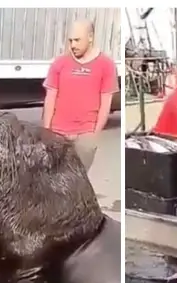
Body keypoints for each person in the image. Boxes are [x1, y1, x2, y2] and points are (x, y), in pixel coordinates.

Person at [42, 19, 119, 172]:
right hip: (58, 133)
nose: (73, 45)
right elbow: (50, 98)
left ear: (90, 38)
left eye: (77, 40)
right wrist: (46, 132)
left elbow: (106, 103)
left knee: (76, 181)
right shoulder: (60, 63)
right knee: (54, 179)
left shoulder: (106, 65)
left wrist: (94, 135)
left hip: (85, 135)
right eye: (70, 40)